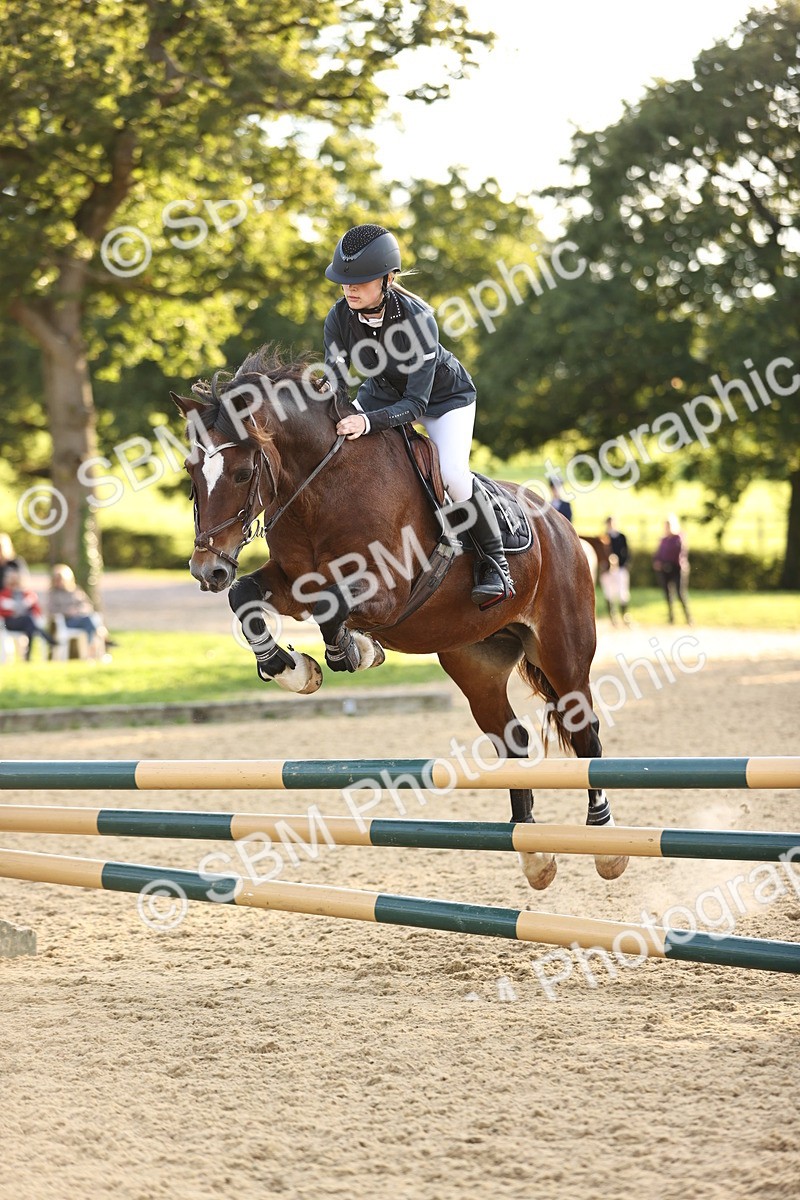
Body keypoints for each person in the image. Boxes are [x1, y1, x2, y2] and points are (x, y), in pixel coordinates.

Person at [323, 223, 514, 609]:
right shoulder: (339, 317)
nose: (349, 289)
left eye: (359, 281)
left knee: (454, 475)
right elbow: (336, 384)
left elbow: (415, 406)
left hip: (443, 402)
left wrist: (366, 422)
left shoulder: (418, 318)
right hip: (379, 394)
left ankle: (497, 564)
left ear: (388, 279)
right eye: (344, 281)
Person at [49, 564, 110, 657]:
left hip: (80, 617)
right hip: (67, 621)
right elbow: (52, 610)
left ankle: (95, 647)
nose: (59, 581)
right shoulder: (54, 594)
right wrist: (67, 611)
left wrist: (78, 610)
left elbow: (87, 605)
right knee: (91, 621)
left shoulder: (75, 591)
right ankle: (99, 646)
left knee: (93, 619)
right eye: (57, 579)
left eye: (61, 579)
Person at [0, 566, 57, 660]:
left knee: (29, 625)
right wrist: (17, 606)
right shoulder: (3, 594)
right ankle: (47, 638)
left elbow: (36, 609)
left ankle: (28, 656)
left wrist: (27, 602)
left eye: (16, 580)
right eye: (12, 580)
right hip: (9, 623)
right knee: (29, 621)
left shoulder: (27, 593)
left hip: (25, 622)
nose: (15, 583)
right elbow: (3, 609)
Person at [653, 515, 692, 624]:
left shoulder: (678, 538)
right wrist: (657, 562)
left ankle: (688, 618)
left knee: (680, 593)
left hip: (677, 569)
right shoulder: (664, 540)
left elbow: (678, 554)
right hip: (664, 570)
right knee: (667, 594)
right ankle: (671, 618)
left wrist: (666, 563)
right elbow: (658, 553)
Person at [601, 516, 631, 625]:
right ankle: (612, 616)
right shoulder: (604, 538)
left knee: (623, 592)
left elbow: (627, 552)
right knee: (609, 592)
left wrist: (622, 563)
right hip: (607, 570)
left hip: (621, 568)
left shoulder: (622, 537)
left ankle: (625, 615)